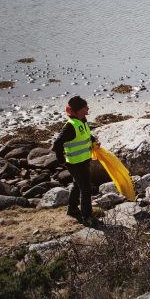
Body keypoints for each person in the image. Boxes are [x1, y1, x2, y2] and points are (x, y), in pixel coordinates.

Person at [51, 96, 99, 227]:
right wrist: (61, 159)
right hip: (75, 163)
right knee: (86, 189)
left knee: (77, 185)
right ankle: (87, 217)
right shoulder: (70, 126)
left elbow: (86, 135)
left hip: (83, 160)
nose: (87, 108)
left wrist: (93, 140)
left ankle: (72, 209)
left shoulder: (82, 120)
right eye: (85, 107)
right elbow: (56, 144)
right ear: (78, 110)